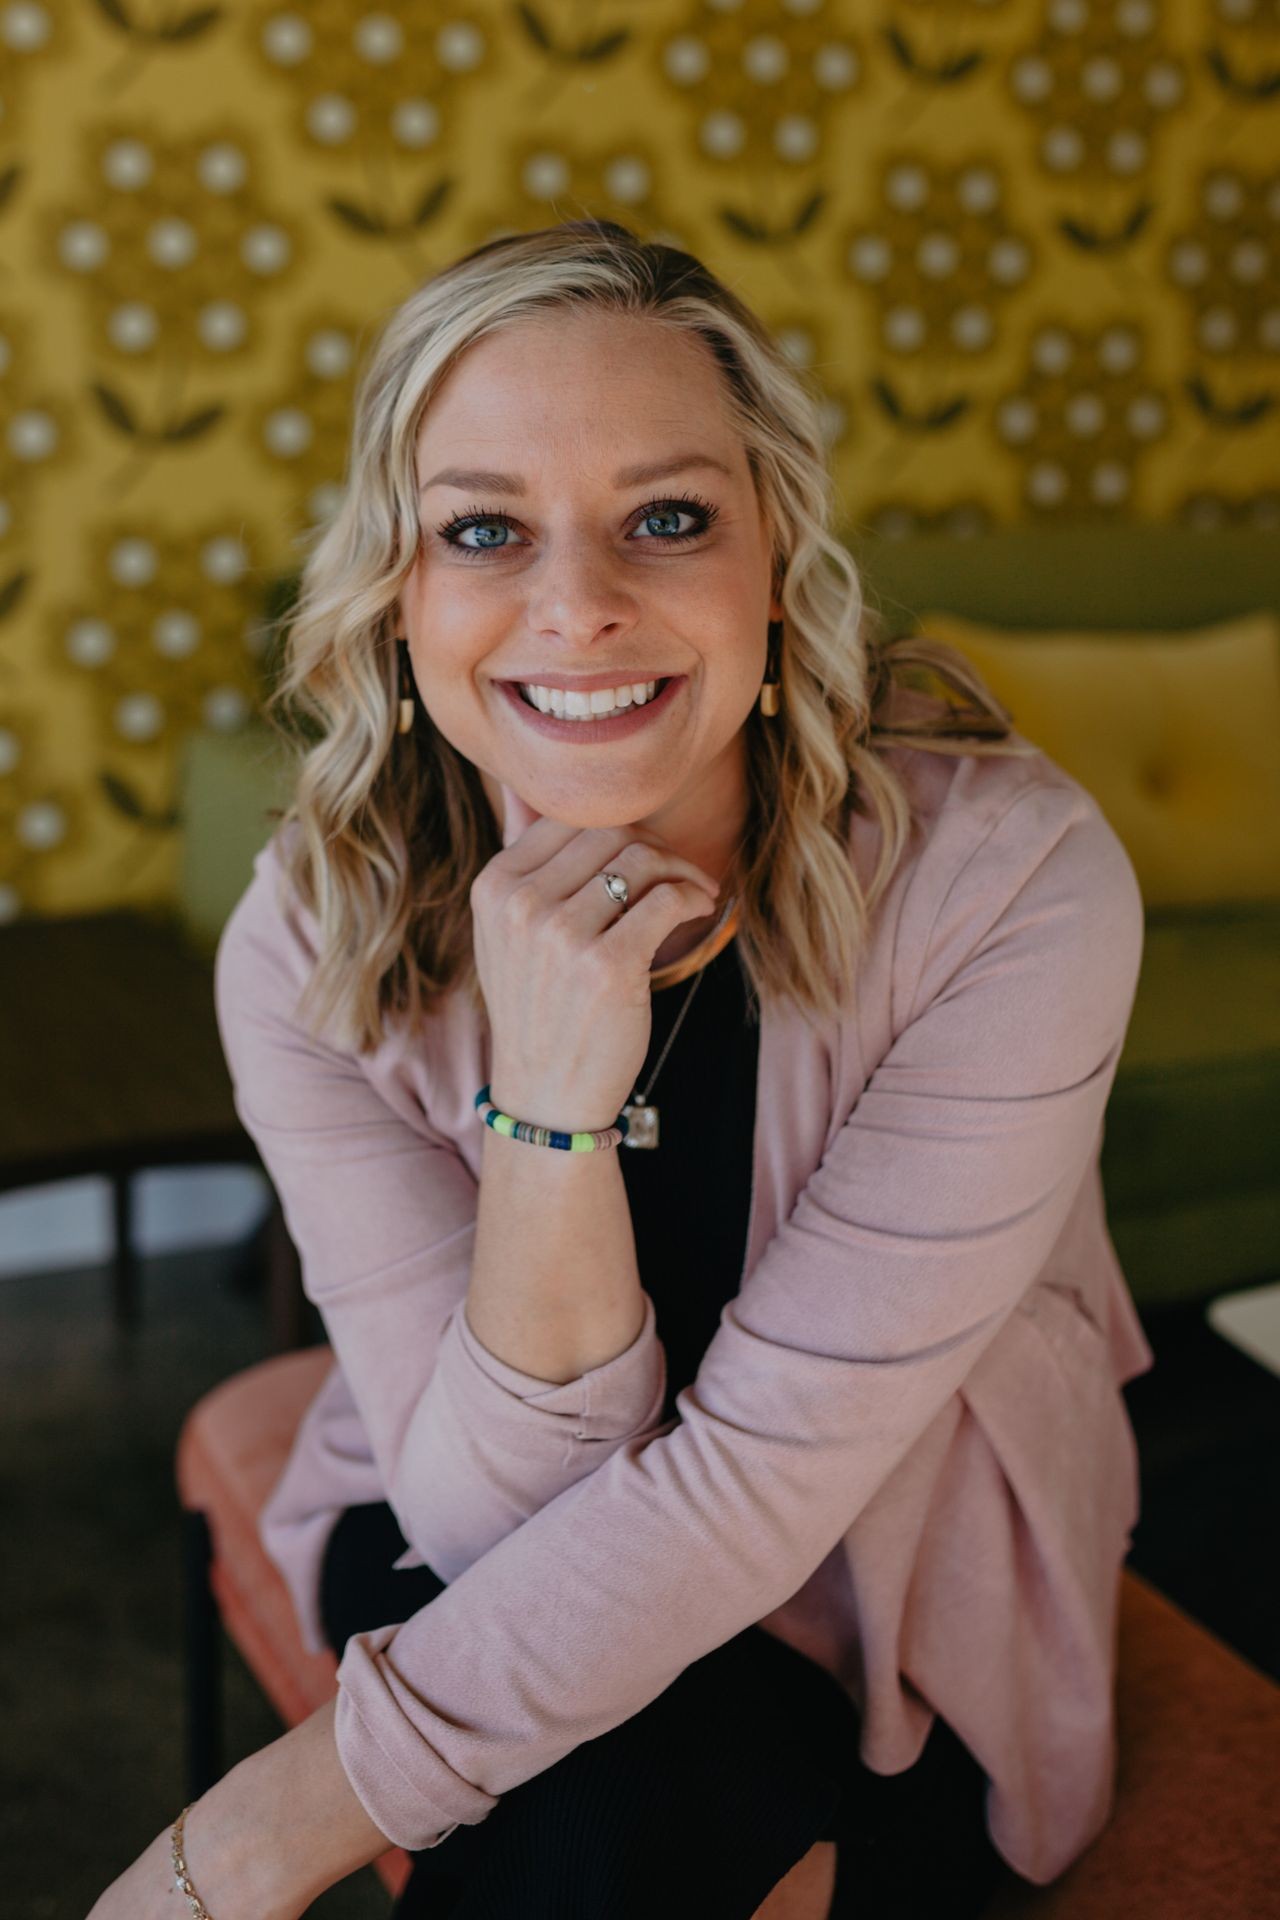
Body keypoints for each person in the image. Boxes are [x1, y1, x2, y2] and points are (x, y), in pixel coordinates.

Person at [88, 218, 1155, 1920]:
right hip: (458, 1528)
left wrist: (251, 1837)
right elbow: (485, 1522)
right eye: (484, 529)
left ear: (776, 555)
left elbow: (757, 1488)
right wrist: (549, 1110)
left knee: (607, 1800)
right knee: (600, 1790)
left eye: (668, 518)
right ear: (400, 586)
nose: (575, 607)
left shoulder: (1010, 887)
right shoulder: (313, 934)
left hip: (880, 1572)